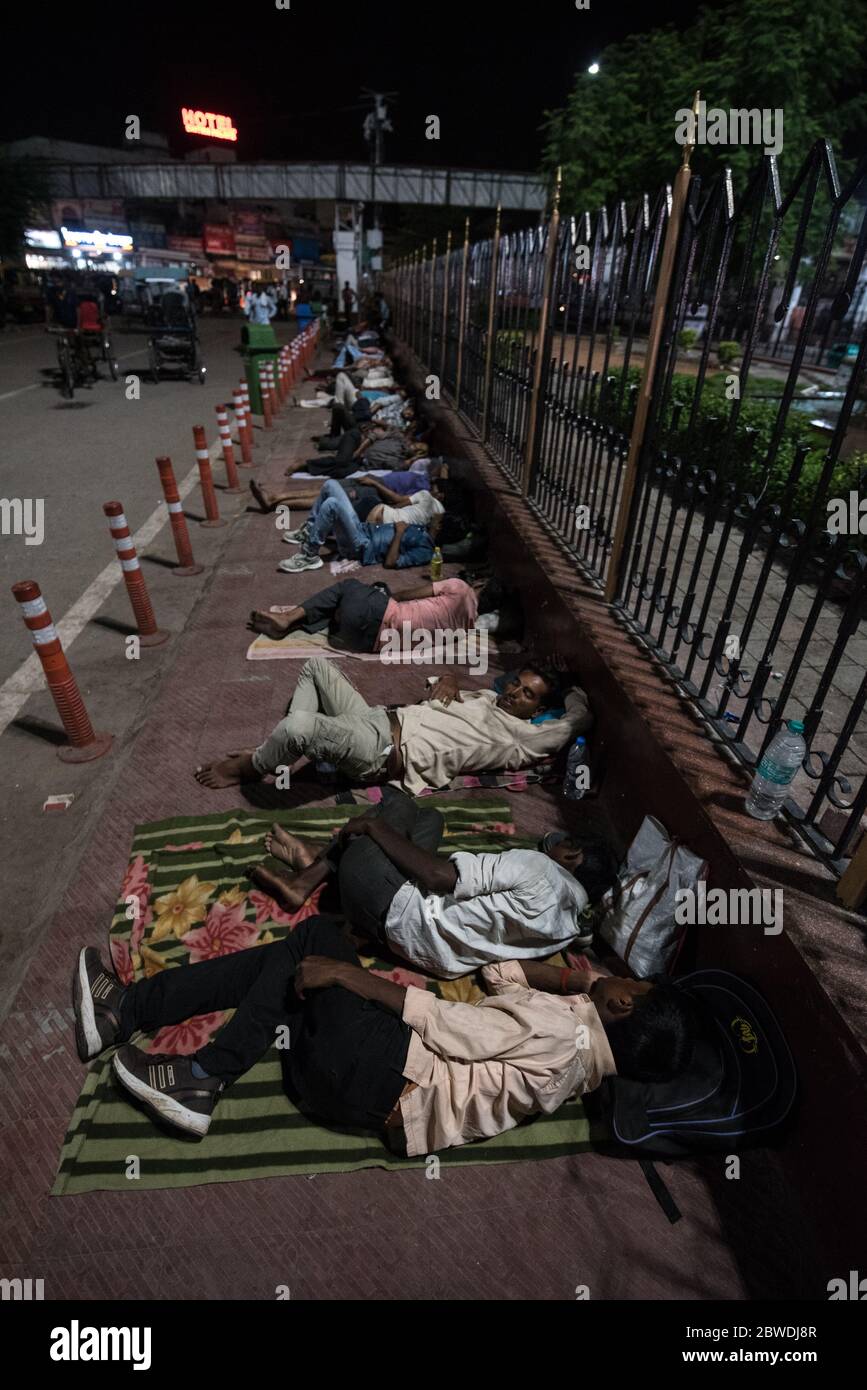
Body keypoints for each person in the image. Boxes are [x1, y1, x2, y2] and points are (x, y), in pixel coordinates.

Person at [72, 864, 696, 1148]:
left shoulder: (566, 1033)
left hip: (377, 1071)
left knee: (318, 943)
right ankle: (125, 1013)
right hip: (353, 1095)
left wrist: (353, 976)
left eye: (624, 984)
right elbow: (497, 974)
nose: (608, 975)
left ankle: (202, 1074)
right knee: (289, 970)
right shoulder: (578, 1061)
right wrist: (573, 980)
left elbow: (454, 1023)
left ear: (621, 1002)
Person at [247, 788, 618, 974]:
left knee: (402, 806)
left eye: (562, 843)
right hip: (419, 949)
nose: (550, 845)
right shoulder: (570, 925)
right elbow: (586, 933)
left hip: (385, 901)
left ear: (571, 857)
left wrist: (375, 827)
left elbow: (437, 876)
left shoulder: (538, 867)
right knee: (431, 819)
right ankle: (325, 861)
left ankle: (309, 877)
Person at [194, 657, 590, 793]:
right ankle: (280, 747)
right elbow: (439, 689)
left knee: (298, 725)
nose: (515, 694)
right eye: (517, 686)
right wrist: (450, 677)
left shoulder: (524, 737)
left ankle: (254, 765)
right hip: (376, 716)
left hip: (380, 751)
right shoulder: (487, 699)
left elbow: (577, 719)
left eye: (528, 695)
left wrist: (572, 689)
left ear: (539, 710)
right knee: (316, 667)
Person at [246, 574, 481, 654]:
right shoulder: (468, 628)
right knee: (346, 606)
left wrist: (382, 596)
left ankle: (288, 618)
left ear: (480, 585)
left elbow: (405, 595)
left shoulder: (461, 588)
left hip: (374, 615)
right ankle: (294, 626)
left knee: (348, 587)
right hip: (364, 643)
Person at [277, 479, 435, 574]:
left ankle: (309, 555)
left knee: (332, 505)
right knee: (330, 485)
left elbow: (391, 563)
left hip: (361, 547)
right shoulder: (421, 526)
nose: (435, 519)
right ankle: (309, 531)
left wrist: (399, 533)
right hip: (362, 528)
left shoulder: (425, 551)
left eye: (439, 521)